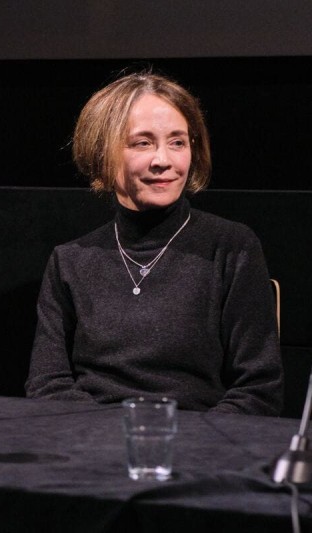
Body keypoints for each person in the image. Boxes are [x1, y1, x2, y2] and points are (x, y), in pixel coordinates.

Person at [25, 71, 283, 415]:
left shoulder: (231, 247)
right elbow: (47, 384)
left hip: (199, 449)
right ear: (102, 153)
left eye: (178, 142)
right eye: (142, 143)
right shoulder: (70, 260)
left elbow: (258, 391)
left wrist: (175, 446)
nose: (164, 161)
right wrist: (116, 441)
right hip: (89, 445)